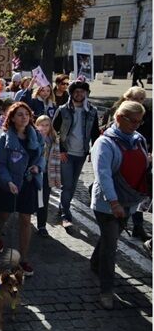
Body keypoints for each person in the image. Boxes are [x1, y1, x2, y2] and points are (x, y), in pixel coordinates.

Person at [90, 101, 149, 309]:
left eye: (139, 121)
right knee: (111, 247)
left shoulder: (138, 139)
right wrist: (114, 203)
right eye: (132, 120)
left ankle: (95, 262)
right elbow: (103, 176)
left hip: (130, 202)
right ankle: (106, 290)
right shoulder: (104, 143)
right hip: (108, 205)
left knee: (109, 239)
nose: (136, 125)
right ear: (118, 118)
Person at [0, 102, 44, 276]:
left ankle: (23, 259)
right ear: (12, 118)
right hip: (10, 184)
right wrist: (7, 182)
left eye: (27, 114)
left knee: (26, 220)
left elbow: (42, 156)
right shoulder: (6, 139)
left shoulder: (36, 136)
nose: (24, 117)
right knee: (4, 214)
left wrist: (38, 167)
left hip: (28, 183)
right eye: (20, 114)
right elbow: (0, 164)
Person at [52, 80, 100, 228]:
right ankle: (66, 214)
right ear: (71, 94)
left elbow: (95, 133)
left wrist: (94, 151)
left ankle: (62, 207)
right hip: (66, 153)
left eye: (82, 92)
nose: (79, 94)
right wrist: (61, 150)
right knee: (67, 185)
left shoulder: (92, 111)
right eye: (76, 92)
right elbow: (54, 131)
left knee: (72, 186)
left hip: (82, 154)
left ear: (86, 93)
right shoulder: (63, 110)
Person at [34, 115, 61, 237]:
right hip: (34, 173)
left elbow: (56, 161)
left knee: (43, 201)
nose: (44, 128)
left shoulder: (54, 140)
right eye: (41, 125)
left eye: (46, 125)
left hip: (46, 174)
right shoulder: (33, 137)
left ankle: (42, 226)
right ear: (36, 125)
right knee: (32, 199)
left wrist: (56, 178)